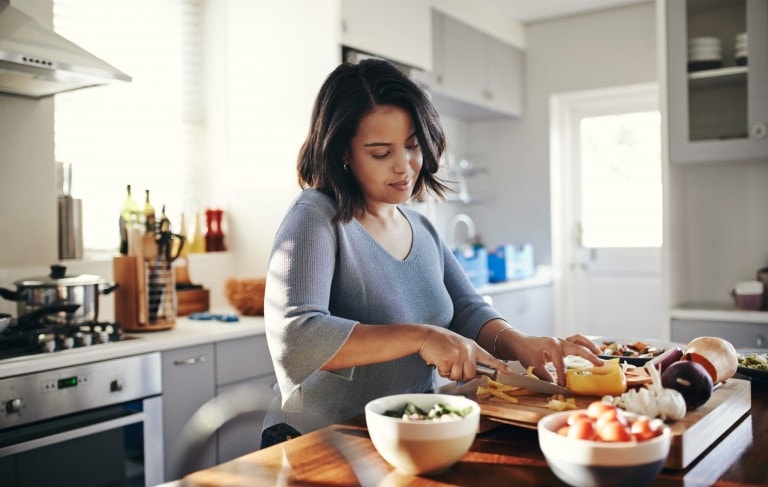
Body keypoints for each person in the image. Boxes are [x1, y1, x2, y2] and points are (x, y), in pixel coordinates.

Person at [261, 58, 602, 448]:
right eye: (379, 153)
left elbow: (467, 310)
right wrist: (421, 337)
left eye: (412, 146)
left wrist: (518, 343)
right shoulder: (314, 217)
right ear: (342, 152)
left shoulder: (419, 227)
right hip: (321, 439)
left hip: (403, 435)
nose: (405, 167)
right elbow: (295, 336)